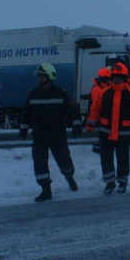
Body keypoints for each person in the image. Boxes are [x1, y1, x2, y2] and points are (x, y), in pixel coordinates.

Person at [19, 62, 82, 202]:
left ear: (50, 77)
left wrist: (77, 124)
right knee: (39, 163)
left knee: (64, 160)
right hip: (39, 136)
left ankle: (69, 176)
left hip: (57, 136)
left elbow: (73, 110)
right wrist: (23, 128)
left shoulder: (61, 93)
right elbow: (26, 113)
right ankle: (45, 189)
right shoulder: (33, 94)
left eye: (42, 76)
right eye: (39, 76)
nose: (40, 79)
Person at [85, 62, 130, 194]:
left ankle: (122, 182)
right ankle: (109, 182)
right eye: (114, 76)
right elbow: (95, 109)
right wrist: (90, 123)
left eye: (119, 77)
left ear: (125, 78)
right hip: (106, 132)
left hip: (124, 133)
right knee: (106, 158)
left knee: (123, 158)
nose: (116, 79)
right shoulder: (104, 93)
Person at [88, 67, 111, 153]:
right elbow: (95, 107)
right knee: (99, 139)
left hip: (100, 119)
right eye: (108, 78)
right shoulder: (98, 89)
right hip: (98, 119)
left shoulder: (100, 87)